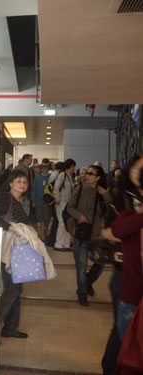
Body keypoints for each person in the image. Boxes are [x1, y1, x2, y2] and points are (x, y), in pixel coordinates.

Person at [100, 156, 140, 374]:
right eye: (137, 168)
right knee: (125, 331)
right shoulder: (122, 198)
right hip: (126, 274)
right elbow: (108, 230)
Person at [0, 170, 32, 339]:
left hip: (18, 248)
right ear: (11, 183)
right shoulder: (6, 198)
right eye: (19, 181)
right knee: (11, 290)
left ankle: (10, 328)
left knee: (17, 288)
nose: (22, 185)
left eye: (25, 182)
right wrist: (10, 228)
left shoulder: (22, 201)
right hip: (7, 249)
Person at [67, 165, 111, 306]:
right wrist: (80, 216)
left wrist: (105, 194)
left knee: (99, 265)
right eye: (86, 173)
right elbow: (70, 207)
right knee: (81, 268)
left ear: (98, 177)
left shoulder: (102, 193)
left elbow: (112, 208)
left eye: (91, 174)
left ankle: (87, 283)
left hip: (97, 236)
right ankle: (82, 293)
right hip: (82, 234)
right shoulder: (79, 189)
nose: (87, 175)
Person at [111, 155, 143, 344]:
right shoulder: (126, 202)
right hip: (129, 283)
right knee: (127, 345)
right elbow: (115, 229)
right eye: (136, 168)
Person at [53, 159, 76, 250]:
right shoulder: (62, 175)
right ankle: (58, 244)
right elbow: (56, 187)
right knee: (62, 223)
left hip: (67, 203)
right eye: (73, 166)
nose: (74, 168)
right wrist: (57, 198)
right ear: (71, 166)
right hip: (61, 202)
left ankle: (66, 244)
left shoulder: (69, 176)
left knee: (67, 223)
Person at [32, 163, 52, 241]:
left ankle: (46, 231)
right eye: (42, 168)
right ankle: (42, 234)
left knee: (47, 218)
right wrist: (34, 200)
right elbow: (34, 190)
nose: (44, 170)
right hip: (39, 200)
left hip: (48, 201)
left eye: (45, 168)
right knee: (40, 218)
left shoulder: (50, 178)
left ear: (47, 169)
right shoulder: (37, 178)